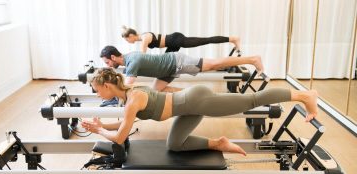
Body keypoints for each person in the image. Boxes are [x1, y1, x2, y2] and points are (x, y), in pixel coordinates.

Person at [81, 68, 319, 159]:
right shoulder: (128, 98)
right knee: (175, 144)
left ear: (107, 86)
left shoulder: (133, 99)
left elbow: (121, 137)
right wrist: (101, 125)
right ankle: (219, 143)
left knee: (251, 100)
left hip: (197, 101)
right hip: (187, 109)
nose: (97, 94)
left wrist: (99, 130)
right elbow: (123, 125)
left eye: (97, 90)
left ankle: (303, 95)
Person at [100, 45, 263, 92]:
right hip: (166, 71)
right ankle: (199, 97)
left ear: (113, 58)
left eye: (107, 62)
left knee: (214, 64)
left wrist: (113, 92)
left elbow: (127, 86)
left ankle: (252, 59)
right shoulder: (129, 59)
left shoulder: (132, 61)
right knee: (157, 91)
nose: (108, 66)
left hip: (175, 62)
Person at [121, 26, 241, 53]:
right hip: (173, 43)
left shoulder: (144, 37)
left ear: (130, 36)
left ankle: (233, 39)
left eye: (127, 40)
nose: (128, 42)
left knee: (206, 40)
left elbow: (142, 55)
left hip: (175, 40)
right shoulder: (143, 37)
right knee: (167, 62)